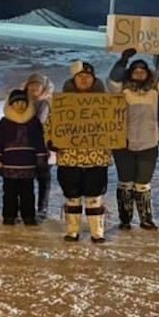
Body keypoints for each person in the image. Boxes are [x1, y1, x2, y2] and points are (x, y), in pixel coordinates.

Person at [108, 49, 159, 230]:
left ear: (148, 73)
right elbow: (113, 80)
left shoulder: (156, 89)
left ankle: (146, 218)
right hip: (124, 143)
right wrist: (123, 60)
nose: (139, 74)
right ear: (130, 73)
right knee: (125, 183)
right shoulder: (121, 89)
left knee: (143, 184)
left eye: (142, 71)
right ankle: (125, 219)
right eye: (135, 71)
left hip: (149, 143)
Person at [46, 61, 112, 243]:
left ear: (93, 79)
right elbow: (50, 125)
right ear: (74, 80)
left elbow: (115, 126)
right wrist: (51, 141)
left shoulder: (106, 103)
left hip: (96, 158)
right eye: (80, 77)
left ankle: (97, 231)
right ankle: (72, 230)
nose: (83, 80)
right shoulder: (61, 103)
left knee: (94, 196)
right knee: (72, 196)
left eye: (87, 77)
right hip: (69, 158)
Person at [0, 89, 49, 226]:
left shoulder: (33, 122)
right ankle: (9, 216)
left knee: (27, 193)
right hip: (9, 166)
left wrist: (41, 160)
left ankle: (28, 216)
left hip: (28, 165)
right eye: (16, 102)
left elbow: (39, 142)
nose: (20, 105)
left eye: (23, 102)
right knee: (9, 193)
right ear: (11, 105)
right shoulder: (4, 123)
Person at [23, 73, 55, 220]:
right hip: (25, 147)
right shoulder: (19, 102)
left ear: (43, 87)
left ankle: (42, 208)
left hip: (44, 147)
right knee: (26, 179)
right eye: (32, 84)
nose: (35, 87)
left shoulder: (49, 103)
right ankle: (27, 208)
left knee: (44, 178)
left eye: (38, 84)